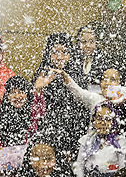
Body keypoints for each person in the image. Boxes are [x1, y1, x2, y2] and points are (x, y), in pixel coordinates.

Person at [31, 32, 90, 161]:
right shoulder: (42, 74)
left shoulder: (77, 75)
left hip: (74, 133)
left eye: (64, 52)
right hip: (47, 134)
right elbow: (32, 110)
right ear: (48, 54)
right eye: (55, 52)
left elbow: (84, 106)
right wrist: (37, 89)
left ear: (70, 54)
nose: (59, 57)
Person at [74, 101, 126, 177]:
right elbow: (80, 164)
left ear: (114, 121)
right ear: (93, 120)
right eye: (99, 118)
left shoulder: (120, 141)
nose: (103, 123)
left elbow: (124, 168)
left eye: (108, 119)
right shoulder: (87, 140)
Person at [74, 23, 110, 93]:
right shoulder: (73, 61)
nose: (87, 45)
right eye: (83, 42)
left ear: (96, 43)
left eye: (91, 42)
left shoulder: (103, 62)